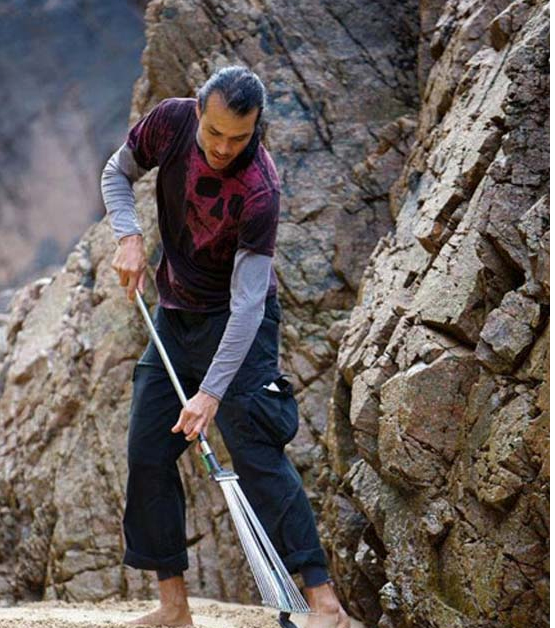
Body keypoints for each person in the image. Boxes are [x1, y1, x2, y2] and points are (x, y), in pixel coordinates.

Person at [101, 66, 349, 628]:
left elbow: (247, 305)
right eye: (214, 133)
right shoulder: (169, 121)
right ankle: (174, 609)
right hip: (176, 313)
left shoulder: (259, 189)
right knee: (147, 452)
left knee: (257, 454)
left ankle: (324, 604)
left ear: (256, 128)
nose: (222, 148)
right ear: (198, 114)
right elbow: (117, 173)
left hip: (240, 325)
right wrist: (129, 234)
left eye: (239, 138)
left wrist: (211, 392)